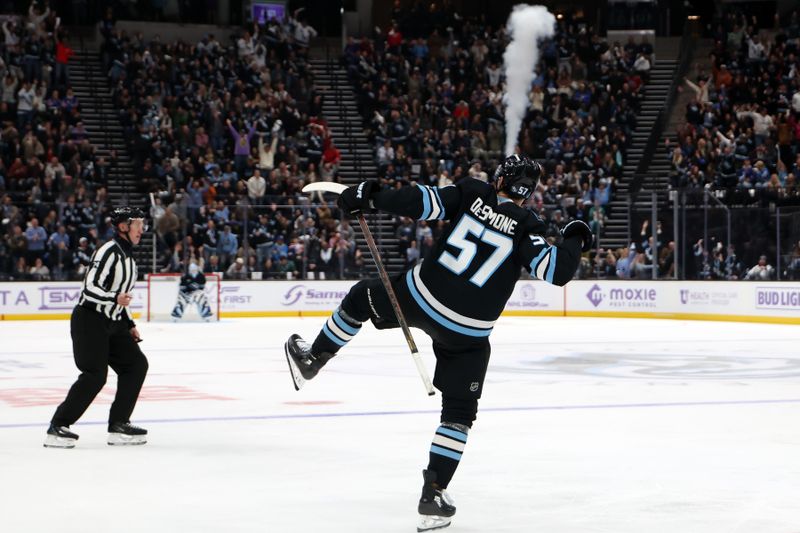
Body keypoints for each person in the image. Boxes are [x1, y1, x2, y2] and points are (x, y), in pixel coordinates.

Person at [284, 155, 591, 531]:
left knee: (360, 299)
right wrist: (576, 235)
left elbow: (419, 201)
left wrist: (370, 196)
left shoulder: (473, 192)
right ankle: (434, 493)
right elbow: (557, 271)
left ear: (499, 180)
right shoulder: (528, 226)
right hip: (468, 332)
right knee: (458, 414)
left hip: (420, 297)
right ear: (528, 193)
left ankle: (314, 358)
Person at [45, 207, 150, 448]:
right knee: (95, 375)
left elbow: (122, 297)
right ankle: (58, 425)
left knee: (136, 365)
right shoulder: (108, 251)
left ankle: (119, 423)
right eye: (137, 224)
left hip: (114, 323)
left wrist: (129, 323)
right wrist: (114, 298)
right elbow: (90, 287)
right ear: (123, 226)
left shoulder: (129, 259)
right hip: (89, 320)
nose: (141, 229)